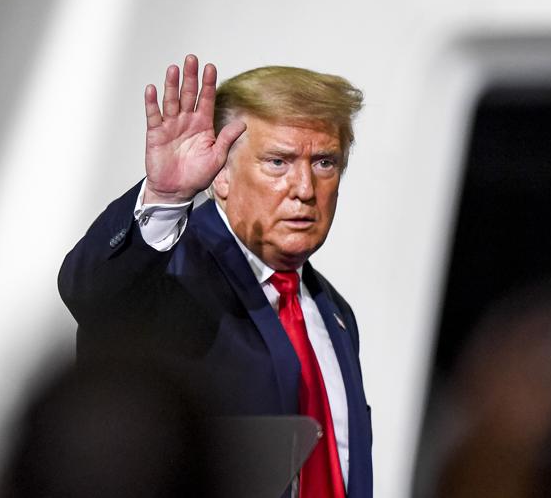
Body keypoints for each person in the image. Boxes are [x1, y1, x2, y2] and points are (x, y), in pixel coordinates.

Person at [59, 56, 372, 498]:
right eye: (279, 162)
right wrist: (166, 197)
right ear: (221, 173)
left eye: (324, 162)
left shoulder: (335, 313)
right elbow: (90, 293)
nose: (305, 188)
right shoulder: (173, 273)